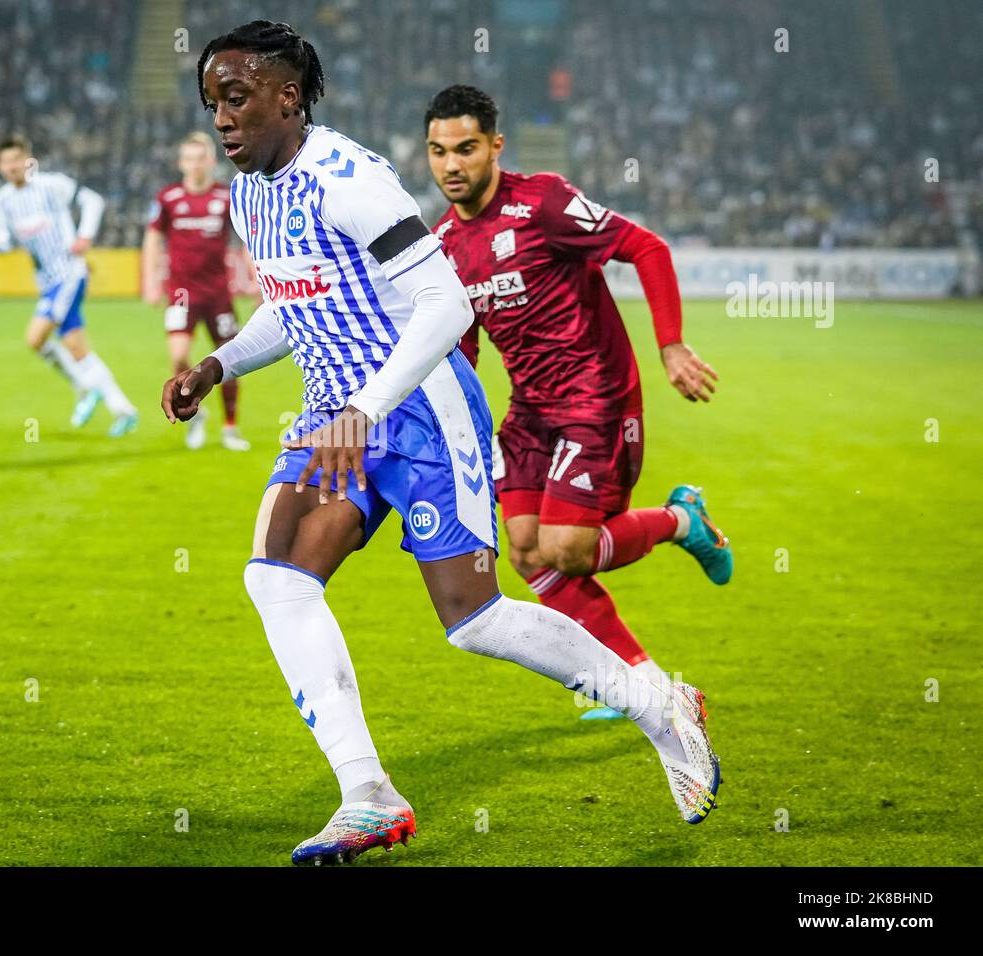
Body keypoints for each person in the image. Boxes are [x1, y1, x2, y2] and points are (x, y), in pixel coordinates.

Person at [162, 21, 720, 866]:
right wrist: (217, 362)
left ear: (287, 95)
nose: (222, 121)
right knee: (275, 577)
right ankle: (367, 796)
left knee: (473, 619)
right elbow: (296, 299)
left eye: (236, 99)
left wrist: (368, 406)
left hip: (418, 401)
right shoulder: (251, 195)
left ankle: (655, 701)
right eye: (212, 104)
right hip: (335, 410)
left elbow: (447, 306)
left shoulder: (352, 181)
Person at [425, 85, 733, 720]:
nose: (451, 165)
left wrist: (671, 345)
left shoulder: (543, 202)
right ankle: (643, 684)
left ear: (494, 146)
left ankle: (684, 522)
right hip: (531, 411)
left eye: (465, 148)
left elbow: (647, 247)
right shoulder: (445, 245)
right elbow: (463, 347)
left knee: (567, 548)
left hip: (596, 399)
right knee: (526, 553)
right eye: (437, 152)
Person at [0, 135, 137, 437]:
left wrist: (85, 235)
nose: (11, 166)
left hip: (69, 274)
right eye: (5, 162)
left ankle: (84, 388)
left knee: (36, 337)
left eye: (16, 159)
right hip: (47, 281)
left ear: (28, 159)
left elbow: (92, 200)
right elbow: (3, 238)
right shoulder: (1, 200)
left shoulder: (51, 185)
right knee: (76, 347)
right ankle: (123, 410)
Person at [143, 132, 251, 451]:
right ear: (181, 163)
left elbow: (245, 240)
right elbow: (152, 238)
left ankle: (230, 427)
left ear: (210, 160)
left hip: (218, 293)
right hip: (181, 293)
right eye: (188, 158)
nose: (194, 164)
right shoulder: (168, 198)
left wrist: (257, 276)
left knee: (230, 360)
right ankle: (198, 412)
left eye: (199, 157)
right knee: (178, 356)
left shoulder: (225, 198)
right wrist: (150, 280)